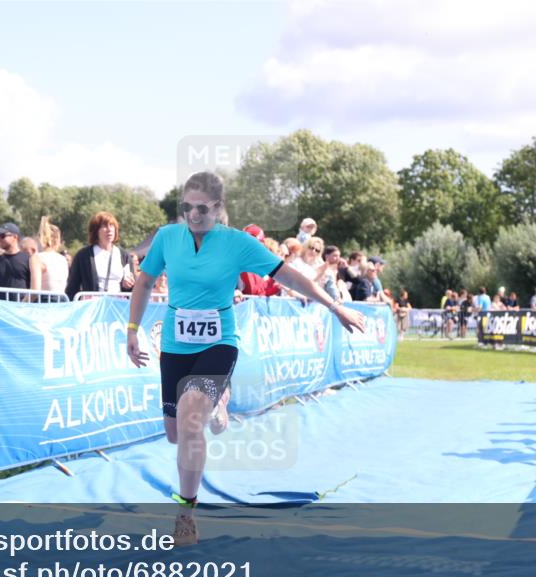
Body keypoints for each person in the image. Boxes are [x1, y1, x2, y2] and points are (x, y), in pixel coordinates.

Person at [126, 171, 365, 545]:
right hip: (174, 346)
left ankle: (186, 514)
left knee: (190, 422)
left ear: (218, 208)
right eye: (187, 207)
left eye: (202, 208)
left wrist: (335, 306)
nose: (193, 215)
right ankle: (219, 400)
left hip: (219, 343)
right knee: (176, 435)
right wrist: (131, 329)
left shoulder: (236, 244)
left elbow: (292, 278)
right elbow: (143, 282)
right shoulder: (167, 239)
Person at [65, 211, 135, 300]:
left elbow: (133, 289)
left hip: (118, 307)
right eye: (104, 226)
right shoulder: (83, 256)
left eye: (112, 225)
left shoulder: (124, 256)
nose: (109, 229)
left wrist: (128, 285)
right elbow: (72, 287)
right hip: (93, 307)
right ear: (95, 231)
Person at [0, 220, 42, 301]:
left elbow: (35, 290)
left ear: (15, 237)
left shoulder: (29, 259)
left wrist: (22, 305)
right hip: (0, 310)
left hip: (23, 309)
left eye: (3, 236)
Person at [38, 216, 69, 294]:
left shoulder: (38, 258)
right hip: (62, 300)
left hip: (44, 301)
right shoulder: (63, 259)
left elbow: (35, 289)